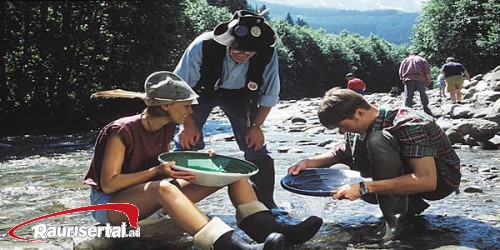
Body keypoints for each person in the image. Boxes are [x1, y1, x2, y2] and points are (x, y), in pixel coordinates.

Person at [84, 71, 323, 250]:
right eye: (187, 106)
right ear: (166, 106)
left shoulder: (167, 127)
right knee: (163, 188)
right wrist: (157, 171)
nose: (191, 111)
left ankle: (271, 234)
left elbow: (168, 166)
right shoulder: (120, 131)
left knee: (232, 173)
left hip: (151, 196)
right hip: (111, 205)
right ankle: (231, 247)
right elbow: (109, 184)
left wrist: (202, 161)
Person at [288, 88, 461, 241]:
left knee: (377, 139)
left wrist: (364, 188)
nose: (342, 132)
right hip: (409, 177)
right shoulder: (357, 129)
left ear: (360, 113)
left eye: (342, 126)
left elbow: (426, 180)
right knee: (338, 170)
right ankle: (410, 207)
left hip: (441, 181)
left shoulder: (409, 123)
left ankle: (395, 223)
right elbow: (340, 153)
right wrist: (308, 163)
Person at [173, 10, 283, 213]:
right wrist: (187, 124)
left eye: (249, 52)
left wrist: (257, 126)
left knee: (255, 145)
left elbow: (270, 92)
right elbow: (179, 88)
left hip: (240, 95)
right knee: (186, 141)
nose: (242, 55)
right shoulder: (203, 44)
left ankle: (267, 203)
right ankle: (172, 198)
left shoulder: (267, 51)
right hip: (198, 93)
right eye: (237, 50)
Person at [398, 51, 433, 116]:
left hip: (408, 79)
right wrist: (428, 79)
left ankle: (408, 111)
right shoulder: (422, 59)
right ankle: (425, 108)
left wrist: (402, 78)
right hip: (420, 78)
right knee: (423, 93)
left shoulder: (405, 60)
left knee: (408, 96)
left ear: (410, 54)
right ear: (417, 54)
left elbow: (400, 71)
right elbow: (427, 70)